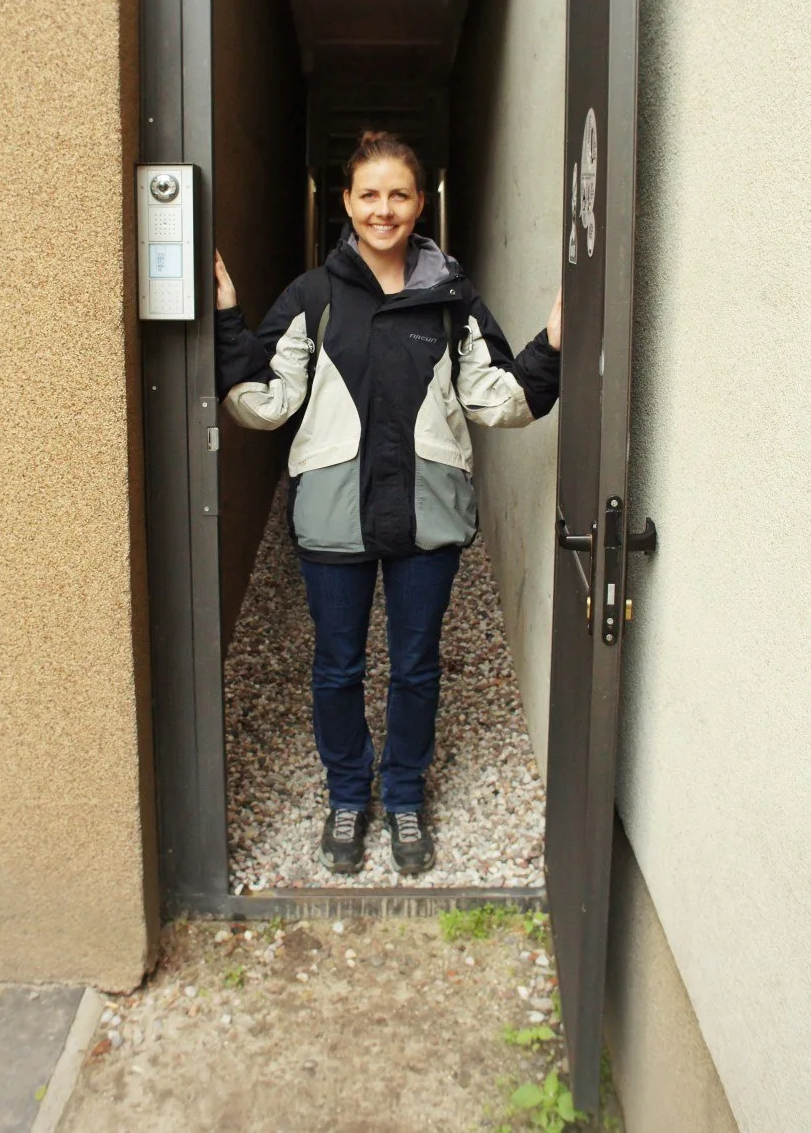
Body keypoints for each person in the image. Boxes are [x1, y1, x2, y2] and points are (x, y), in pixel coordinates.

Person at [214, 130, 562, 878]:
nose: (383, 209)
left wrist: (553, 345)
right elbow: (265, 404)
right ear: (345, 202)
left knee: (416, 666)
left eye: (398, 194)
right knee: (337, 668)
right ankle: (348, 794)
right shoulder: (312, 297)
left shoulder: (452, 297)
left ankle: (402, 795)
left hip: (426, 513)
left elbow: (497, 398)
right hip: (335, 514)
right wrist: (226, 320)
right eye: (368, 194)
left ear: (420, 201)